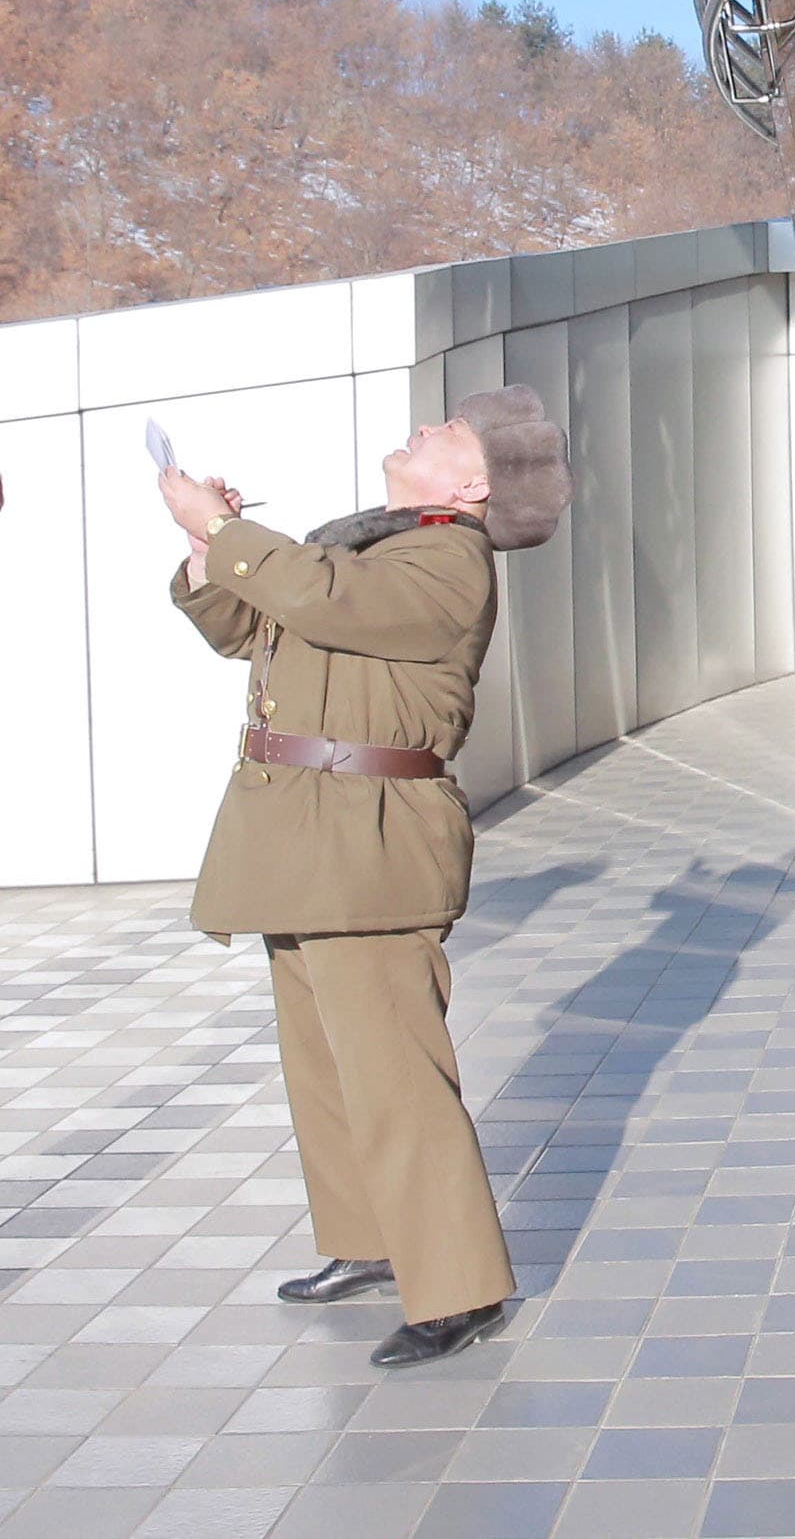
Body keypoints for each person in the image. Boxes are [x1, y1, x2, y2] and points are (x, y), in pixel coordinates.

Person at [159, 387, 571, 1369]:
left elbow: (321, 597)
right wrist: (204, 549)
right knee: (326, 1064)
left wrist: (223, 526)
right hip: (305, 832)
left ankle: (461, 1284)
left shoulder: (447, 555)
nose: (424, 426)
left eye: (448, 431)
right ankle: (369, 1239)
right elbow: (244, 626)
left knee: (394, 1073)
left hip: (370, 837)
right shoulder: (366, 546)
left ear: (472, 483)